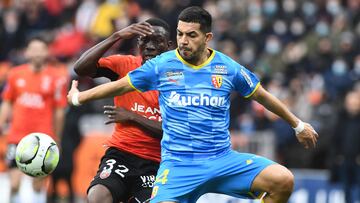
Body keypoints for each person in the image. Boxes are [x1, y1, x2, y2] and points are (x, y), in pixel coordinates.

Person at [67, 7, 319, 203]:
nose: (184, 41)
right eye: (180, 34)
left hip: (222, 159)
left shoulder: (226, 67)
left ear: (207, 37)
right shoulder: (162, 65)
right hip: (178, 165)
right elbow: (120, 86)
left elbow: (261, 95)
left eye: (191, 35)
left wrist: (297, 125)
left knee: (283, 180)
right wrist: (80, 97)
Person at [73, 18, 172, 203]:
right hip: (121, 153)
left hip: (156, 162)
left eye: (156, 41)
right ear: (138, 43)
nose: (149, 46)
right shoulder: (124, 64)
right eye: (144, 40)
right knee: (97, 196)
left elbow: (174, 130)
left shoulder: (178, 79)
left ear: (169, 45)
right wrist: (116, 36)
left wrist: (133, 117)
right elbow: (81, 68)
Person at [0, 36, 68, 203]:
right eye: (34, 49)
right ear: (27, 52)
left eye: (41, 49)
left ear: (47, 52)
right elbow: (7, 102)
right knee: (14, 182)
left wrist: (56, 137)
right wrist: (1, 124)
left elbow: (59, 111)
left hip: (43, 138)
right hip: (17, 136)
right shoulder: (15, 74)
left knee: (38, 184)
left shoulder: (57, 77)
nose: (37, 53)